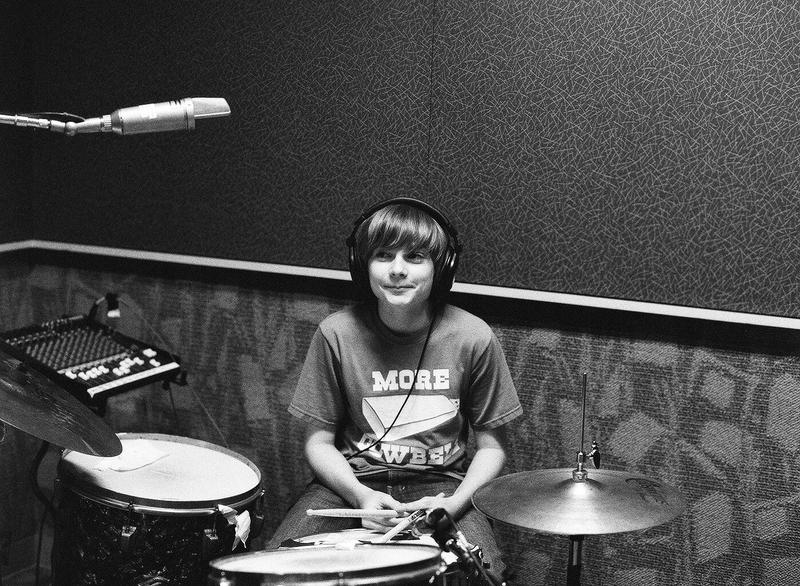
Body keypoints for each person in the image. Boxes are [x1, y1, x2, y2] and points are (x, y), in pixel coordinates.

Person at [267, 198, 522, 582]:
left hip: (442, 485)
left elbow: (492, 448)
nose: (397, 270)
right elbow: (318, 443)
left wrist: (451, 506)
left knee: (481, 577)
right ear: (361, 265)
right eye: (383, 255)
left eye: (415, 256)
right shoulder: (336, 333)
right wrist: (360, 497)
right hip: (350, 484)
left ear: (442, 268)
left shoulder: (473, 337)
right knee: (274, 573)